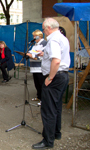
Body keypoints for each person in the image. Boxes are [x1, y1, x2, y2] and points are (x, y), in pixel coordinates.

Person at [32, 18, 70, 149]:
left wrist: (50, 78)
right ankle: (56, 133)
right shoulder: (62, 37)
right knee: (56, 106)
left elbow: (57, 61)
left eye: (43, 29)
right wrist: (45, 54)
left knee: (48, 109)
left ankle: (48, 141)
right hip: (63, 76)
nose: (43, 31)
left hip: (55, 77)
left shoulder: (53, 39)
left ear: (48, 28)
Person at [26, 30, 47, 106]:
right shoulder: (35, 44)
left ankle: (43, 99)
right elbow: (33, 53)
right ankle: (38, 96)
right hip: (34, 68)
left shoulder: (44, 43)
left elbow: (43, 56)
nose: (34, 37)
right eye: (33, 36)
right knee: (37, 84)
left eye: (35, 36)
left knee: (41, 84)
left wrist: (33, 56)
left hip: (40, 68)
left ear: (40, 36)